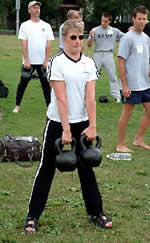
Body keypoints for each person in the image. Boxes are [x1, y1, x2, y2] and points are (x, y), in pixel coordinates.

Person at [24, 20, 112, 233]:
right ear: (64, 39)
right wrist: (64, 129)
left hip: (82, 124)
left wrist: (93, 126)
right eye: (73, 37)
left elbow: (90, 98)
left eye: (80, 37)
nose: (78, 42)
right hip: (57, 123)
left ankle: (96, 213)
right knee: (46, 169)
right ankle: (32, 216)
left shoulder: (89, 63)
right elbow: (61, 99)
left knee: (86, 169)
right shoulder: (57, 62)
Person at [116, 6, 150, 152]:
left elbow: (144, 58)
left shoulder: (147, 38)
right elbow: (121, 62)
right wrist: (124, 85)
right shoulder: (127, 38)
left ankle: (138, 140)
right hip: (131, 85)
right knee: (127, 114)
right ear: (133, 19)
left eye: (144, 19)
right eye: (139, 19)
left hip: (145, 84)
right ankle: (120, 144)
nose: (142, 21)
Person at [13, 1, 54, 113]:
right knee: (23, 83)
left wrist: (46, 60)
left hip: (43, 62)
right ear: (29, 10)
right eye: (34, 8)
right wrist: (26, 60)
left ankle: (50, 107)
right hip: (29, 62)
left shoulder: (46, 25)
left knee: (46, 85)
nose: (37, 10)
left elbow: (49, 45)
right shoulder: (24, 25)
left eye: (38, 8)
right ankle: (17, 105)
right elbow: (24, 44)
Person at [87, 12, 124, 103]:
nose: (103, 23)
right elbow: (89, 45)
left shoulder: (115, 31)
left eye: (105, 21)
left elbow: (126, 37)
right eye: (102, 20)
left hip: (109, 55)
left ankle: (117, 97)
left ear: (110, 21)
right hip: (98, 54)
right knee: (93, 75)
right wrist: (91, 37)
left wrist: (132, 31)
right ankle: (89, 96)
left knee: (112, 76)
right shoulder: (95, 30)